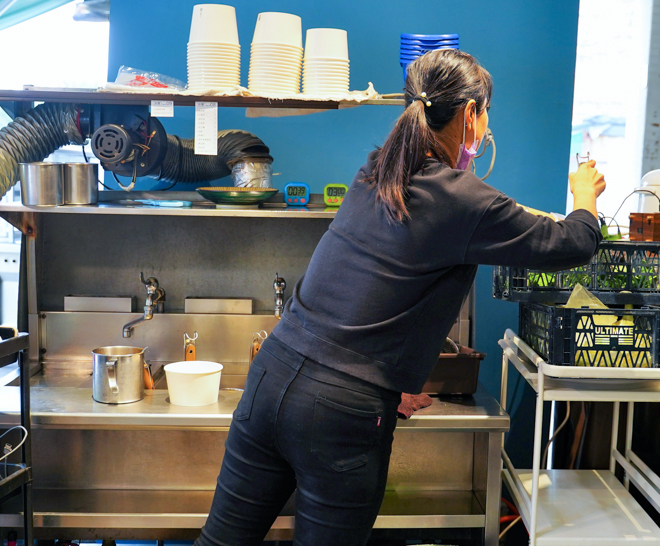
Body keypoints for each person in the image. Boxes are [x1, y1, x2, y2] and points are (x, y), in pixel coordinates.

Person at [195, 49, 606, 546]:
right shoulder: (464, 198)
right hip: (340, 410)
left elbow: (372, 287)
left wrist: (390, 379)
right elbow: (574, 243)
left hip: (271, 372)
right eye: (485, 113)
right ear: (471, 114)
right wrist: (586, 197)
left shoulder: (377, 171)